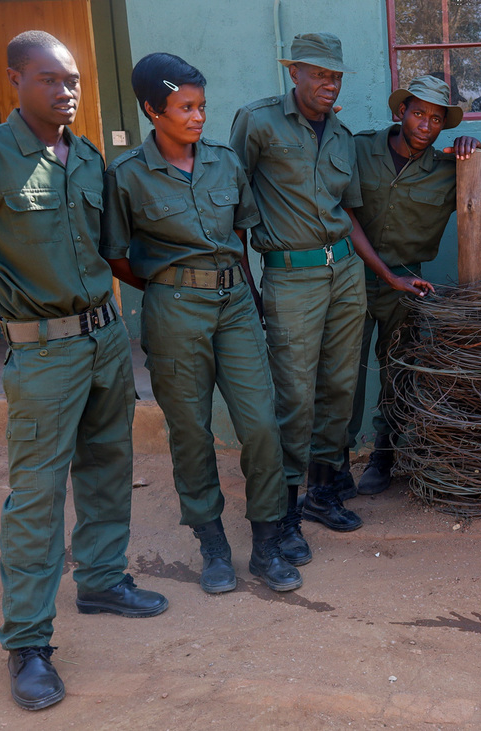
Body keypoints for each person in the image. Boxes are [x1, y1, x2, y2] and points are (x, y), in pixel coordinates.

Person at [0, 31, 167, 711]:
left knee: (105, 463)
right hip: (42, 351)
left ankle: (102, 578)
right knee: (36, 495)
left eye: (72, 81)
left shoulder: (89, 156)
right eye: (49, 80)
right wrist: (28, 300)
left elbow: (102, 251)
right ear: (15, 79)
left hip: (103, 340)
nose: (65, 91)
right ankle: (29, 644)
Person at [101, 53, 301, 595]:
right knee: (190, 432)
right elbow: (117, 256)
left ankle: (266, 546)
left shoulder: (224, 163)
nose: (197, 117)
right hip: (172, 313)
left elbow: (239, 239)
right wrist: (169, 288)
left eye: (202, 106)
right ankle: (212, 546)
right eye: (185, 107)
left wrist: (246, 298)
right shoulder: (126, 177)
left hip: (234, 305)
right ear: (152, 109)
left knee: (260, 424)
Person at [230, 33, 430, 565]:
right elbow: (232, 200)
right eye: (318, 73)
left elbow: (348, 216)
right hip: (291, 274)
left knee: (340, 388)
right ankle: (286, 512)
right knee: (295, 395)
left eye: (336, 75)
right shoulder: (258, 122)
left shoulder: (340, 136)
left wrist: (384, 275)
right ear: (293, 72)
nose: (328, 83)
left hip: (343, 272)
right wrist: (245, 281)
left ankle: (322, 493)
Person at [339, 74, 481, 497]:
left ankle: (384, 456)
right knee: (343, 376)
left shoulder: (445, 168)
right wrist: (384, 274)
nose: (426, 125)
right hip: (350, 276)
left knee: (398, 369)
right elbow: (342, 210)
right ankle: (337, 465)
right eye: (419, 113)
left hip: (408, 282)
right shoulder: (359, 148)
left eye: (436, 119)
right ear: (401, 112)